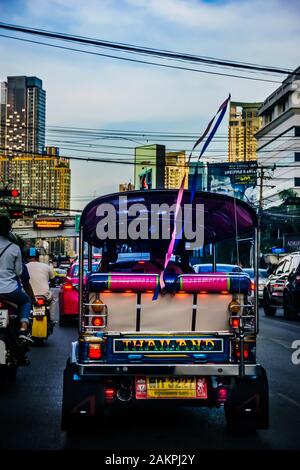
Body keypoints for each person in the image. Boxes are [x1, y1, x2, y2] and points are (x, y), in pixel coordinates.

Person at [0, 215, 33, 342]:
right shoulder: (14, 248)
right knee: (26, 301)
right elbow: (19, 271)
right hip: (10, 291)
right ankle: (23, 329)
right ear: (9, 229)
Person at [26, 247, 56, 324]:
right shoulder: (46, 267)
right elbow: (53, 280)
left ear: (27, 258)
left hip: (28, 295)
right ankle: (52, 319)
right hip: (44, 296)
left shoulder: (24, 267)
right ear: (38, 257)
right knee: (53, 299)